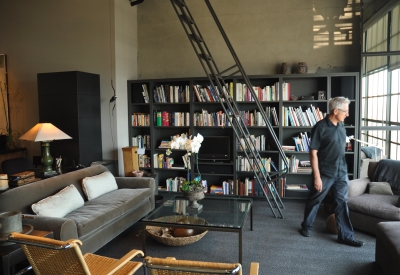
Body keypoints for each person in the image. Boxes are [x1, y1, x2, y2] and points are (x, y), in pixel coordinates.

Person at [300, 96, 364, 247]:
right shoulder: (320, 127)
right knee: (315, 200)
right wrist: (317, 177)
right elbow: (313, 152)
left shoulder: (341, 125)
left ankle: (346, 236)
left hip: (341, 172)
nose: (347, 114)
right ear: (335, 111)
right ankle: (306, 226)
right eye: (345, 111)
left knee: (342, 203)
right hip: (325, 173)